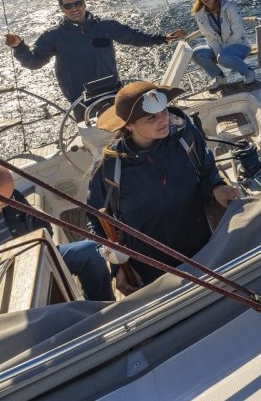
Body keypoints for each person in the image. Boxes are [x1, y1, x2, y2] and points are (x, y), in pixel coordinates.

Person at [86, 81, 239, 286]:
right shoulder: (109, 166)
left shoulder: (188, 139)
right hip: (150, 270)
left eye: (164, 111)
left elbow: (207, 174)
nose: (163, 120)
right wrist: (117, 267)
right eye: (151, 117)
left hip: (204, 254)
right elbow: (95, 220)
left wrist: (216, 188)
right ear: (129, 126)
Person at [4, 0, 186, 109]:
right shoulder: (54, 36)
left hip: (112, 91)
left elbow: (134, 37)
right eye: (68, 6)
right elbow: (35, 62)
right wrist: (19, 47)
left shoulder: (106, 26)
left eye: (77, 3)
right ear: (62, 9)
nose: (74, 9)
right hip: (80, 99)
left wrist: (163, 39)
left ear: (84, 4)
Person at [0, 164, 115, 302]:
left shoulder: (14, 198)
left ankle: (104, 306)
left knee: (90, 250)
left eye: (3, 203)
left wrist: (38, 248)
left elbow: (44, 225)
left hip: (35, 258)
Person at [191, 0, 257, 90]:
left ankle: (248, 72)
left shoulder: (230, 7)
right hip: (219, 49)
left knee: (224, 57)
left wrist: (221, 53)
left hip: (239, 45)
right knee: (197, 53)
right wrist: (218, 52)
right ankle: (219, 77)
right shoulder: (200, 14)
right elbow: (209, 37)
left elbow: (237, 32)